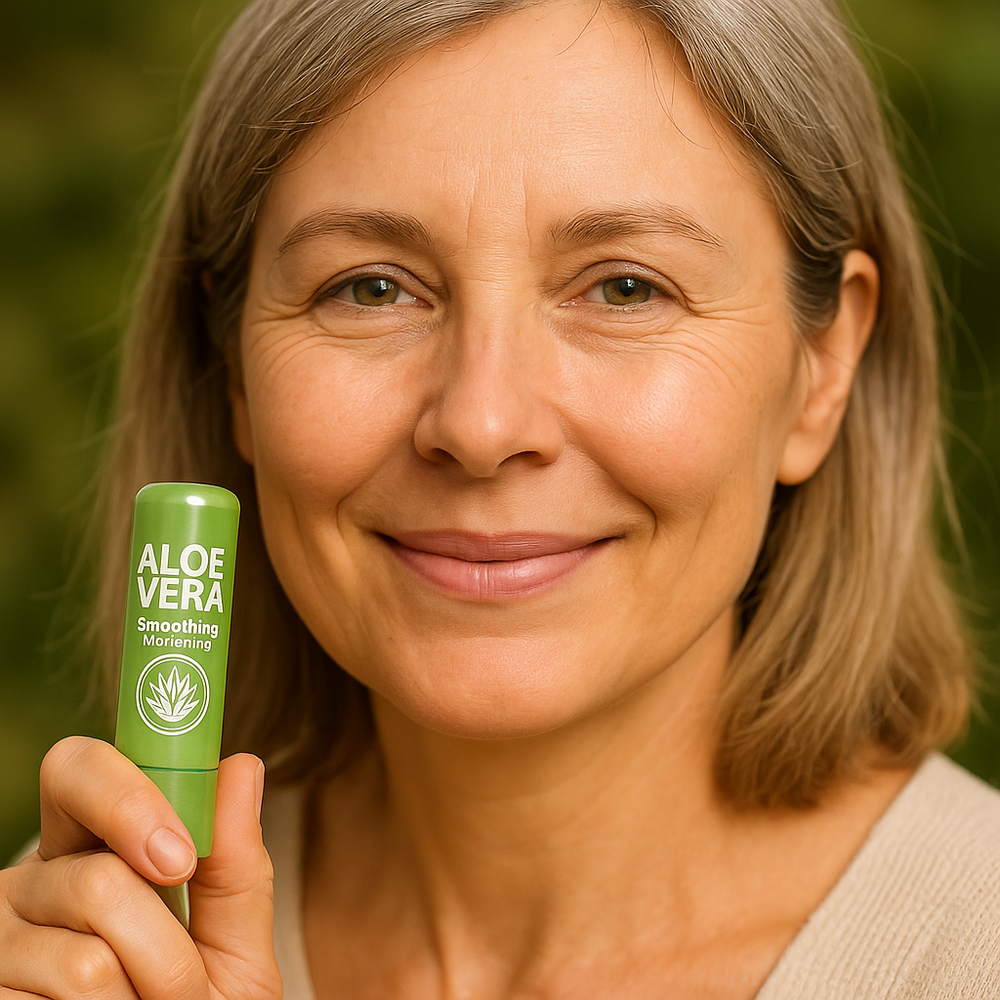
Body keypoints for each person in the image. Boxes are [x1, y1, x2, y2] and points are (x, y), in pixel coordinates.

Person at [1, 0, 998, 996]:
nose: (480, 425)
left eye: (625, 288)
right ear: (234, 370)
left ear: (823, 365)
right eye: (371, 289)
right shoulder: (93, 942)